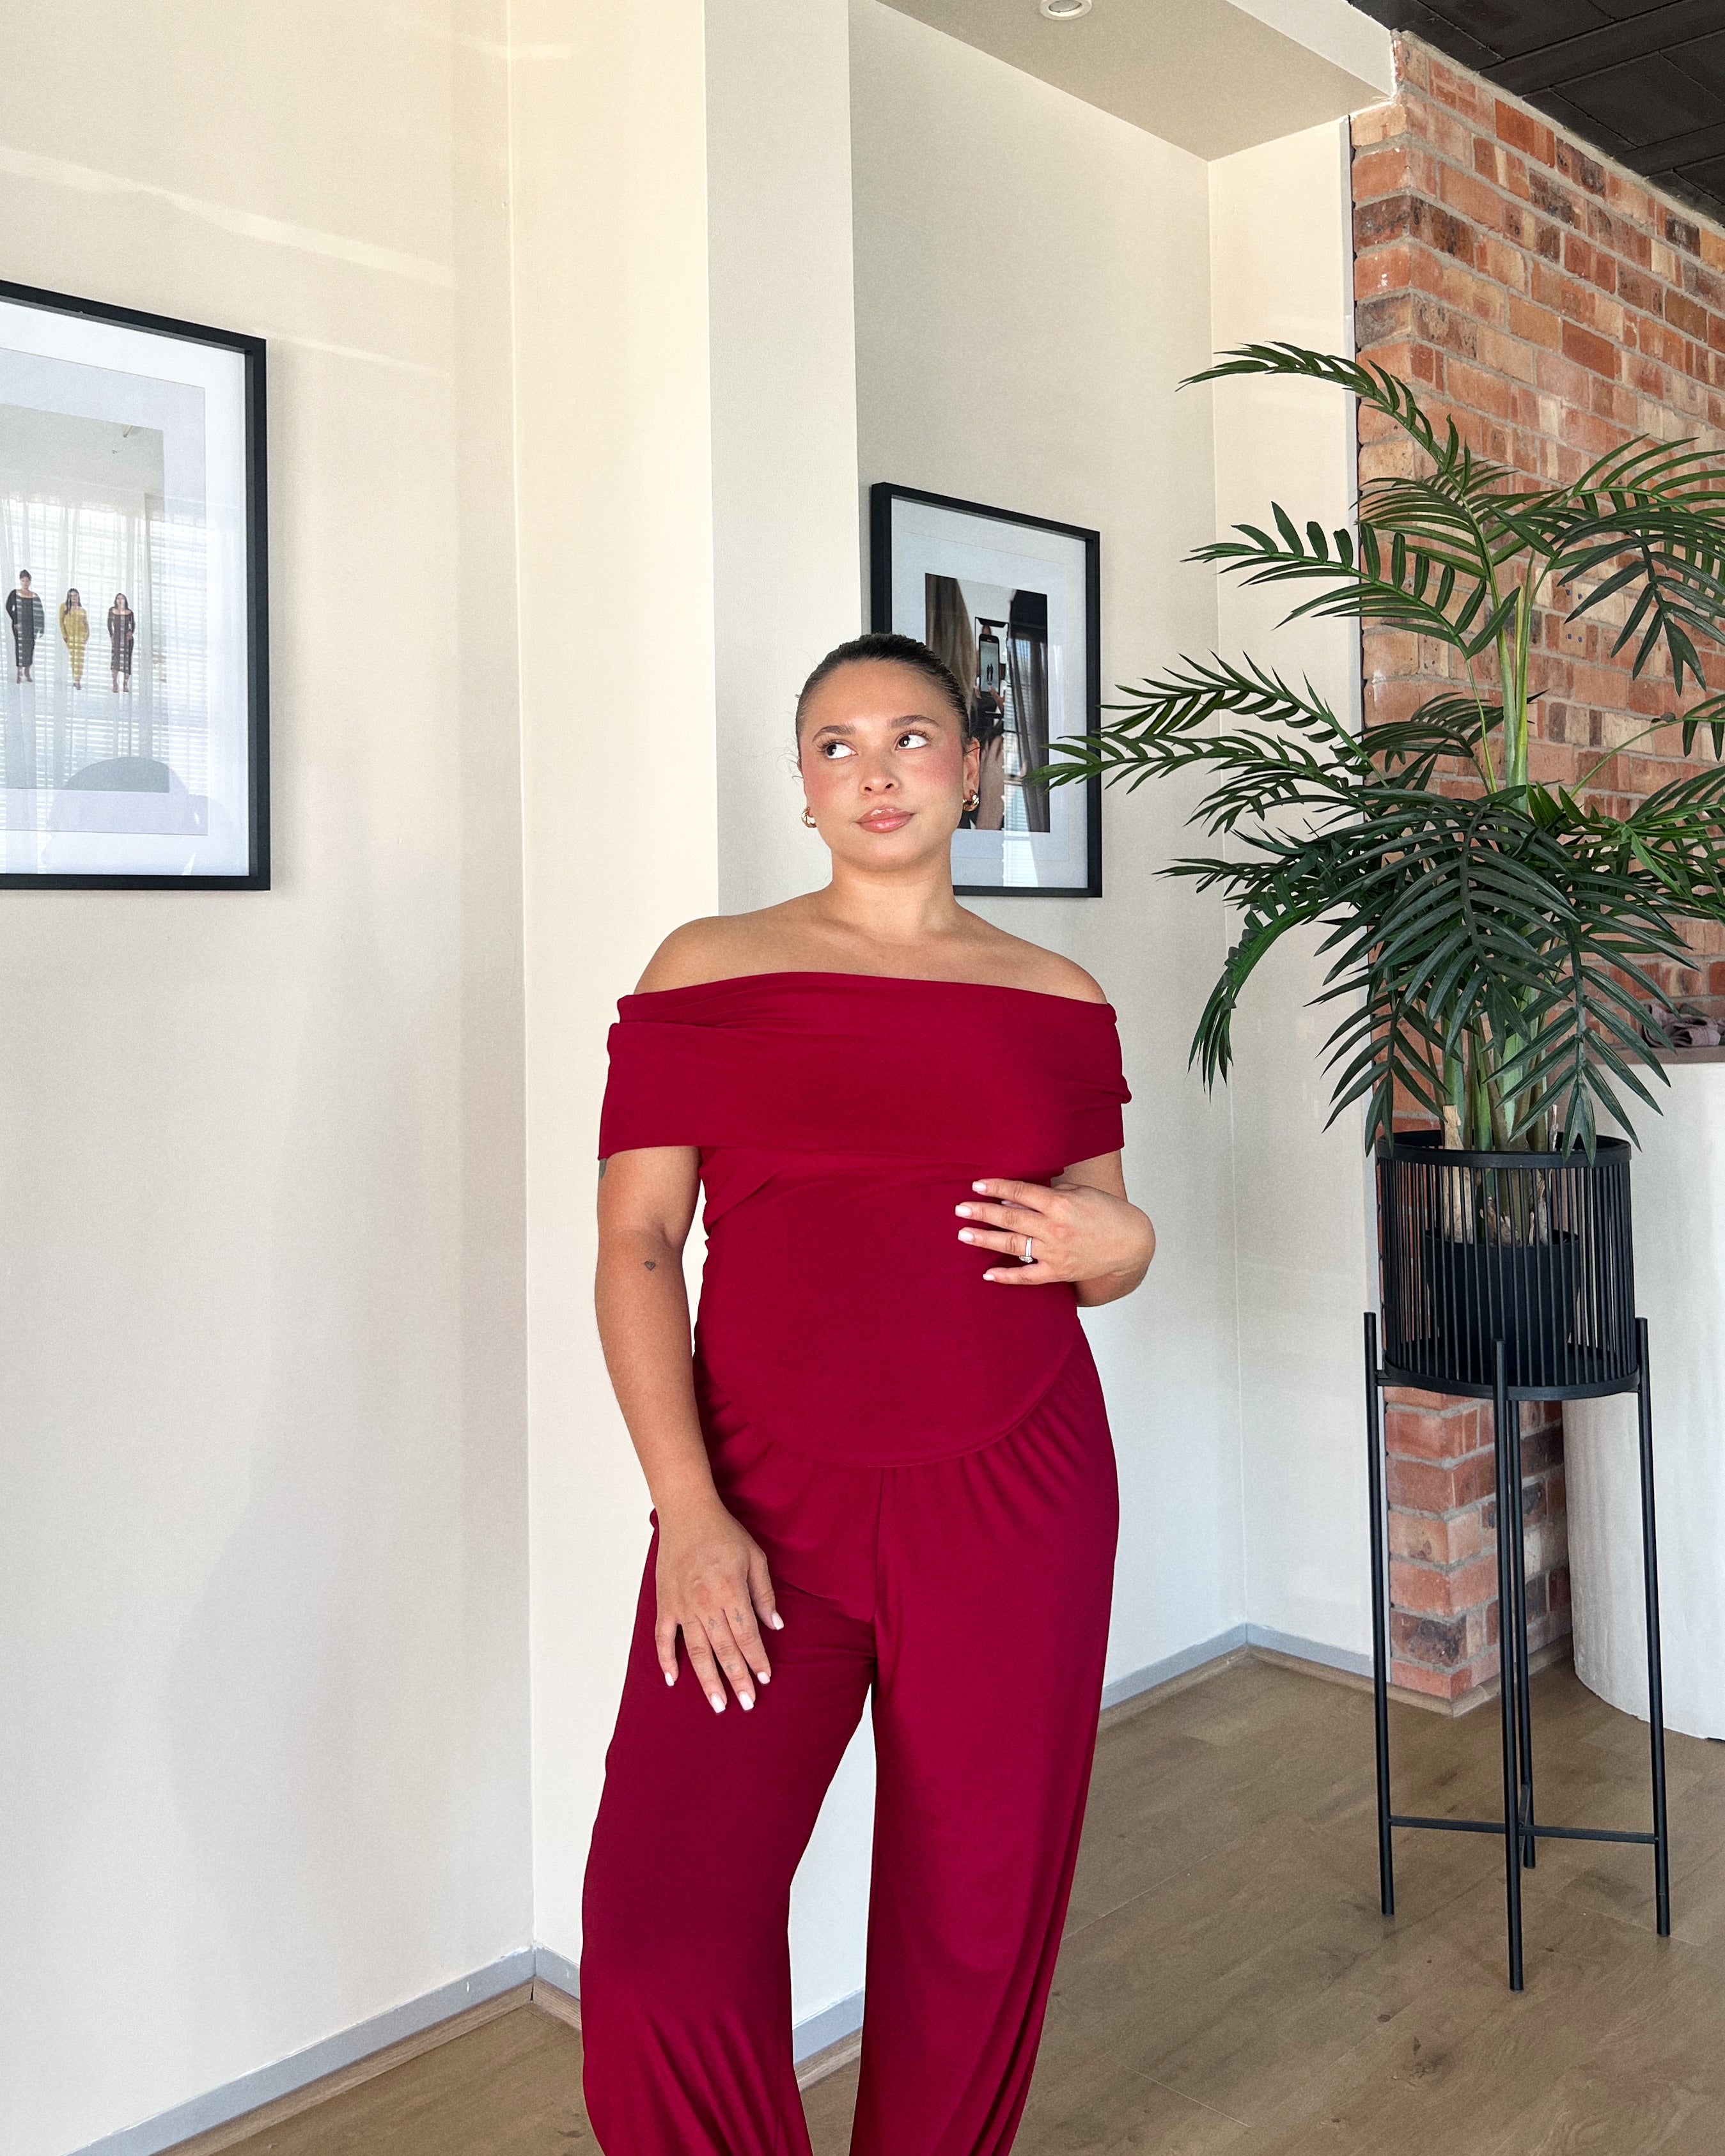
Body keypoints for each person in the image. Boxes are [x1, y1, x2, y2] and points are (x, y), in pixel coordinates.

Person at [581, 630, 1155, 2155]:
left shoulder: (1054, 993)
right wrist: (688, 1510)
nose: (877, 767)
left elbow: (1092, 1238)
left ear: (971, 769)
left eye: (912, 736)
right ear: (803, 785)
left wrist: (1131, 1239)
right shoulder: (706, 971)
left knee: (969, 1933)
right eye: (838, 744)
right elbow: (636, 1244)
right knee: (657, 1936)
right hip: (758, 1498)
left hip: (1016, 1490)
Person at [7, 571, 44, 682]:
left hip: (31, 626)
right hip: (19, 625)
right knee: (20, 648)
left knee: (30, 647)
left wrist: (41, 628)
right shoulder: (15, 594)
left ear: (30, 581)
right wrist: (16, 621)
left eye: (27, 581)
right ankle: (19, 673)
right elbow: (9, 607)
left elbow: (40, 613)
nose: (25, 583)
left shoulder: (35, 596)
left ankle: (27, 672)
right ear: (20, 581)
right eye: (23, 581)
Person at [60, 588, 89, 690]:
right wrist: (65, 635)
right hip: (71, 637)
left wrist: (86, 636)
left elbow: (86, 624)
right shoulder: (64, 607)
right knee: (74, 658)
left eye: (75, 595)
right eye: (72, 596)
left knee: (79, 659)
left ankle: (78, 680)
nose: (74, 598)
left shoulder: (82, 610)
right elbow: (61, 622)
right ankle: (75, 678)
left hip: (81, 638)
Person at [108, 592, 135, 693]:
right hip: (117, 639)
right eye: (118, 599)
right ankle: (115, 683)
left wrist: (131, 632)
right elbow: (109, 625)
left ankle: (125, 684)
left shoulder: (130, 612)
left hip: (127, 640)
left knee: (126, 662)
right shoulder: (112, 611)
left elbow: (133, 625)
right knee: (115, 661)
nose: (120, 601)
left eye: (122, 599)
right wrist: (112, 636)